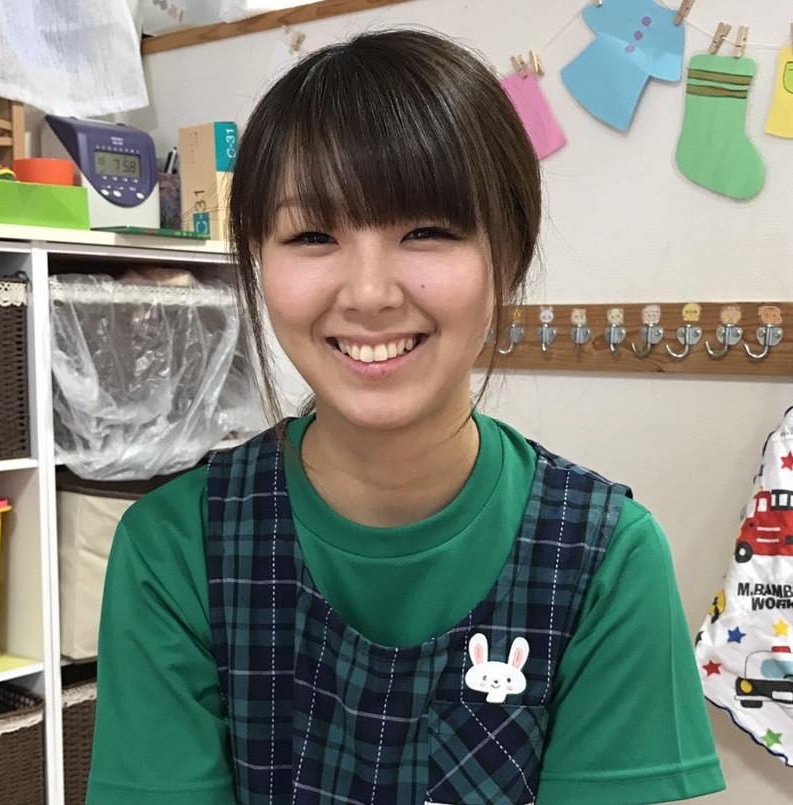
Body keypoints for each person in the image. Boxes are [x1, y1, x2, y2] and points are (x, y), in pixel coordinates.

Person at [86, 28, 725, 805]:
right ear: (259, 258)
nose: (368, 293)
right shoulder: (173, 552)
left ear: (507, 256)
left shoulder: (605, 561)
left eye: (424, 231)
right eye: (312, 234)